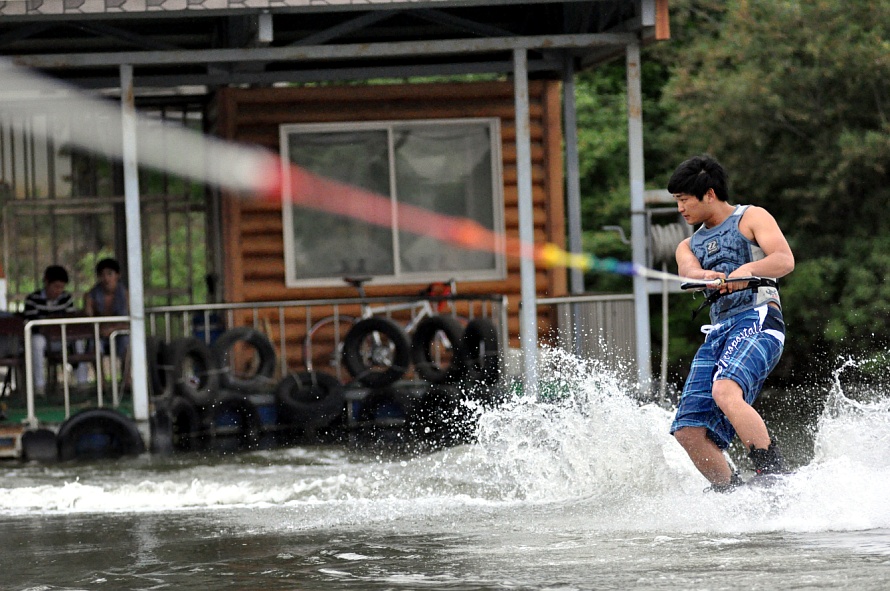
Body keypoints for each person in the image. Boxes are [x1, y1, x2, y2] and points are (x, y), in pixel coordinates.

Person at [669, 155, 795, 492]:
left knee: (725, 390)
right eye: (677, 201)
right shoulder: (687, 245)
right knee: (687, 430)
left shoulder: (752, 217)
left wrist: (746, 271)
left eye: (684, 200)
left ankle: (774, 477)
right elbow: (688, 271)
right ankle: (732, 496)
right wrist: (705, 276)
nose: (680, 208)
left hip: (758, 318)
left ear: (709, 194)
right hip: (718, 333)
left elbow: (784, 260)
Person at [24, 265, 88, 395]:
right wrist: (52, 326)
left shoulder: (66, 299)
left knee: (78, 340)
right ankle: (39, 386)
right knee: (36, 342)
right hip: (44, 339)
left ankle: (82, 382)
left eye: (61, 287)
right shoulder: (33, 300)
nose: (58, 291)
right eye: (56, 286)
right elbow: (34, 324)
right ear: (46, 282)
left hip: (63, 338)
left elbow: (70, 320)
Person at [83, 258, 130, 360]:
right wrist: (101, 329)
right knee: (94, 344)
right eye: (102, 275)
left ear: (117, 275)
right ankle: (99, 370)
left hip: (121, 333)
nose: (106, 278)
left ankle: (125, 370)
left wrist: (113, 329)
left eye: (109, 274)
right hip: (99, 333)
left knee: (126, 342)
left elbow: (131, 321)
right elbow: (88, 320)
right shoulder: (91, 295)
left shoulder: (126, 295)